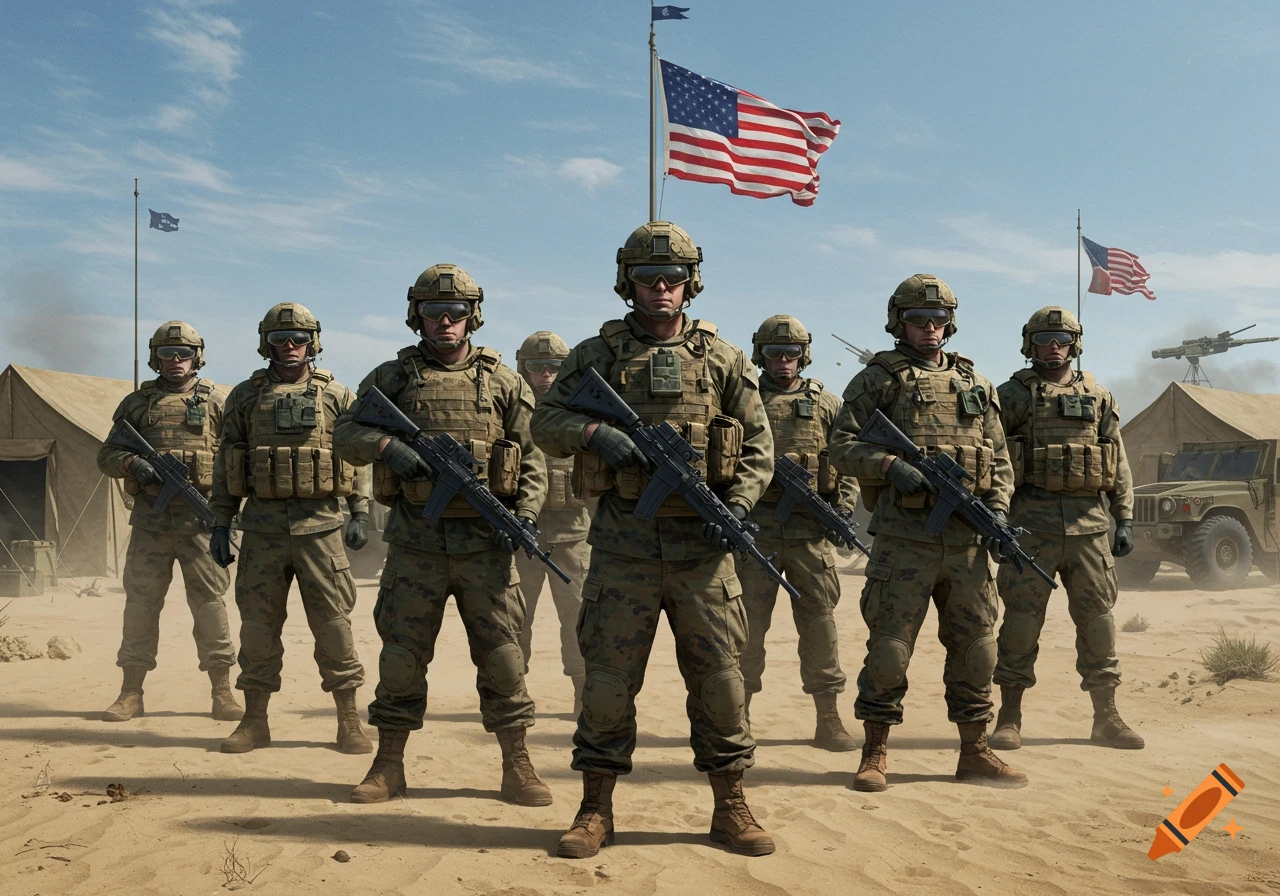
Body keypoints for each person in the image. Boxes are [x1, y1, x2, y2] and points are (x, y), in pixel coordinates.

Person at [532, 221, 777, 858]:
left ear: (690, 284)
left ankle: (731, 806)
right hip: (624, 548)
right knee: (609, 681)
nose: (661, 290)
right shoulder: (597, 355)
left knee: (721, 683)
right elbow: (546, 420)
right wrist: (596, 437)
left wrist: (739, 505)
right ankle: (594, 810)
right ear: (629, 283)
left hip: (703, 553)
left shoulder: (724, 360)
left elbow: (757, 449)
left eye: (672, 279)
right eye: (648, 279)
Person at [332, 264, 553, 807]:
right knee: (402, 656)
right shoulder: (393, 378)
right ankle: (388, 766)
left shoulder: (504, 382)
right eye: (434, 314)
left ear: (471, 316)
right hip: (416, 544)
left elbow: (534, 459)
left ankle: (517, 764)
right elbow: (345, 433)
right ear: (418, 318)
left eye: (455, 313)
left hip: (486, 547)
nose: (445, 324)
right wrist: (387, 449)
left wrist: (523, 515)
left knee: (503, 656)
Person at [828, 274, 1028, 791]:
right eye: (919, 320)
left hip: (967, 546)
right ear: (900, 322)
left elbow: (999, 460)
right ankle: (874, 752)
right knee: (890, 650)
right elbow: (842, 447)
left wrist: (999, 511)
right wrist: (890, 466)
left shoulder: (975, 384)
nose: (930, 329)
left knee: (978, 649)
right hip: (904, 542)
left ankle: (975, 750)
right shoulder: (878, 379)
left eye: (939, 320)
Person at [209, 302, 372, 755]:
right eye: (279, 340)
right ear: (266, 344)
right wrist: (221, 522)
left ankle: (349, 722)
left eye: (298, 339)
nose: (289, 347)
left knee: (334, 626)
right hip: (262, 531)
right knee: (258, 628)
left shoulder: (337, 396)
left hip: (321, 530)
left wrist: (360, 512)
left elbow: (357, 458)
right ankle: (254, 720)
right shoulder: (244, 396)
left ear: (312, 343)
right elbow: (227, 465)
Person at [989, 306, 1142, 751]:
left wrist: (1125, 517)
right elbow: (995, 459)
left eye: (1061, 339)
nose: (1053, 347)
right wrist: (995, 516)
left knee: (1098, 623)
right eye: (1044, 340)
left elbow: (1117, 461)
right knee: (1020, 624)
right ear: (1029, 344)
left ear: (1075, 343)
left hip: (1089, 527)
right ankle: (1010, 716)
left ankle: (1106, 717)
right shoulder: (1011, 396)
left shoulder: (1099, 396)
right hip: (1029, 529)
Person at [97, 321, 242, 723]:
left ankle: (222, 691)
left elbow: (236, 459)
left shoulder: (218, 402)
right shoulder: (136, 404)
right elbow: (106, 454)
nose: (175, 361)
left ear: (197, 356)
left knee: (210, 607)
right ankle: (130, 692)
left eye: (183, 353)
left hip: (202, 523)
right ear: (154, 358)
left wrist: (229, 514)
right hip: (151, 523)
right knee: (140, 606)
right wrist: (132, 462)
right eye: (166, 354)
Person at [739, 314, 860, 752]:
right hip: (757, 534)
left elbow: (846, 458)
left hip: (811, 535)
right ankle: (739, 718)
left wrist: (843, 507)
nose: (784, 361)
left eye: (792, 353)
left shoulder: (826, 403)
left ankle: (828, 720)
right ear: (761, 355)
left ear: (804, 355)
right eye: (774, 353)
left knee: (820, 628)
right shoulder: (743, 401)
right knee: (746, 630)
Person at [513, 331, 589, 712]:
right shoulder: (509, 411)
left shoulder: (584, 410)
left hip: (573, 533)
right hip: (522, 534)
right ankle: (514, 692)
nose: (545, 375)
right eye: (536, 367)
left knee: (578, 616)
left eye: (554, 368)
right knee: (515, 617)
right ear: (522, 369)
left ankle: (582, 692)